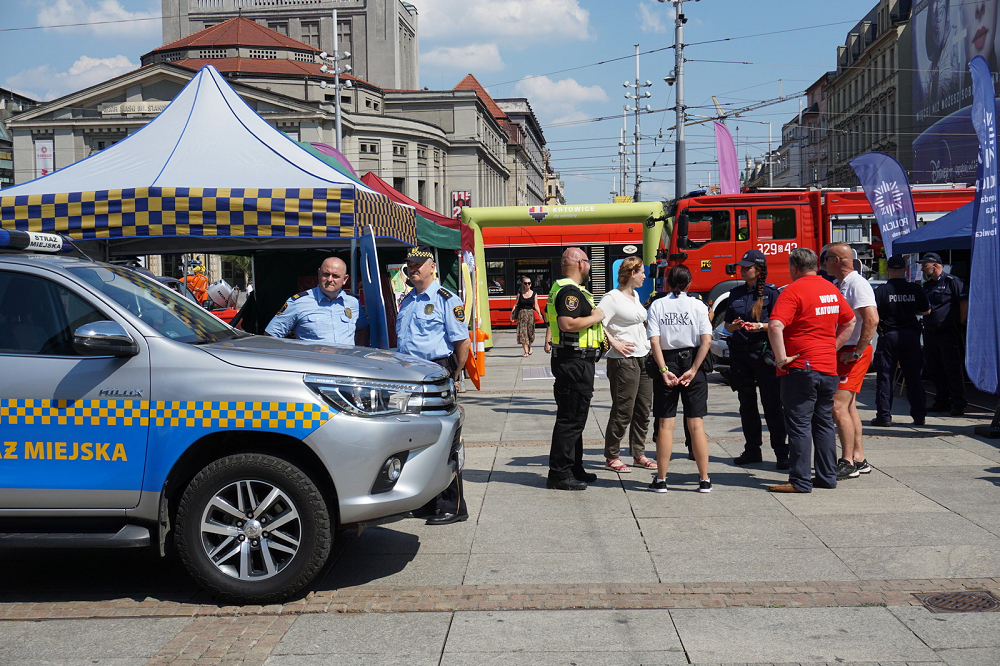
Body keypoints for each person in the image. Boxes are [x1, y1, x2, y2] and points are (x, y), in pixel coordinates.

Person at [766, 247, 856, 494]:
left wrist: (781, 358)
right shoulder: (831, 289)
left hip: (801, 369)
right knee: (824, 423)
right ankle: (827, 477)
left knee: (799, 425)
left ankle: (800, 481)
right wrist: (832, 346)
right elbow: (850, 321)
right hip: (827, 368)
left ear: (794, 267)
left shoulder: (792, 290)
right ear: (816, 265)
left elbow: (775, 326)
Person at [396, 245, 471, 524]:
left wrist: (453, 375)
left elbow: (462, 342)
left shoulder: (445, 299)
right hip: (407, 377)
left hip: (434, 373)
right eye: (409, 265)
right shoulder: (408, 300)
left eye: (418, 264)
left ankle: (454, 505)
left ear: (432, 267)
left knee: (444, 442)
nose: (412, 269)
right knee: (417, 441)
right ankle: (427, 502)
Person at [646, 264, 713, 493]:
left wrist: (663, 369)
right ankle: (704, 479)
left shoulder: (658, 305)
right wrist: (694, 369)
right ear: (689, 283)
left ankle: (662, 479)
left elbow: (654, 341)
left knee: (666, 424)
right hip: (693, 360)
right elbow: (706, 341)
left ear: (667, 283)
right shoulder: (698, 306)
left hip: (668, 361)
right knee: (696, 424)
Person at [545, 247, 605, 491]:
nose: (589, 267)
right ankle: (559, 473)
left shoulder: (564, 289)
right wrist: (597, 316)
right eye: (588, 262)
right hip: (575, 362)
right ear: (581, 264)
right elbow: (567, 323)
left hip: (572, 361)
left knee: (575, 418)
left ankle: (573, 467)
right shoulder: (570, 291)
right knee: (570, 419)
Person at [724, 249, 788, 470]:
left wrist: (759, 326)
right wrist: (733, 326)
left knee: (772, 405)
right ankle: (752, 449)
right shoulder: (736, 293)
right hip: (741, 354)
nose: (742, 270)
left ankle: (781, 452)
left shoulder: (772, 293)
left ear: (759, 270)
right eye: (741, 266)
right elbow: (727, 324)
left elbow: (780, 325)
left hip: (763, 355)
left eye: (747, 267)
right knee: (747, 404)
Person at [822, 243, 879, 480]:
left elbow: (872, 320)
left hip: (852, 352)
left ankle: (847, 461)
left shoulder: (857, 284)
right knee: (849, 406)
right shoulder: (843, 284)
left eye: (825, 258)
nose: (823, 263)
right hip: (847, 350)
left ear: (837, 260)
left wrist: (857, 351)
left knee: (837, 406)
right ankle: (858, 457)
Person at [598, 256, 656, 474]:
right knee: (623, 410)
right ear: (632, 273)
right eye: (642, 272)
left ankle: (638, 453)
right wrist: (614, 342)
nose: (644, 276)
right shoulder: (611, 298)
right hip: (623, 361)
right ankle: (611, 455)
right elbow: (597, 322)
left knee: (643, 409)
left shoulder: (635, 295)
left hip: (644, 357)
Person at [871, 255, 931, 427]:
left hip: (889, 336)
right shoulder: (915, 289)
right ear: (905, 270)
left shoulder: (881, 291)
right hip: (910, 336)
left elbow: (872, 314)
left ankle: (884, 416)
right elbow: (926, 311)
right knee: (913, 377)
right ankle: (919, 416)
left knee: (885, 377)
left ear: (888, 270)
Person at [265, 256, 370, 346]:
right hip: (314, 368)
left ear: (345, 279)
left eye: (335, 276)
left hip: (345, 367)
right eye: (326, 274)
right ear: (319, 273)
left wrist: (356, 355)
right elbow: (271, 336)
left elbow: (362, 328)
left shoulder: (353, 303)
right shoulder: (298, 302)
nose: (329, 279)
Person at [920, 251, 968, 416]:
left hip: (948, 332)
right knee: (934, 368)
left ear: (935, 265)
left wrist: (959, 323)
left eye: (924, 264)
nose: (922, 268)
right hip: (930, 332)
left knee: (951, 368)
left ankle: (958, 403)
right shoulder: (927, 285)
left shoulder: (951, 282)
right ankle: (942, 401)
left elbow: (963, 303)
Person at [510, 276, 543, 356]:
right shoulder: (520, 293)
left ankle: (530, 346)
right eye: (525, 283)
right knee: (522, 334)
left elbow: (536, 305)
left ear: (531, 284)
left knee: (530, 333)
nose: (527, 285)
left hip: (530, 315)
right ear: (523, 284)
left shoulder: (534, 294)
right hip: (521, 315)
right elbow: (516, 304)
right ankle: (526, 351)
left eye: (529, 283)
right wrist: (512, 314)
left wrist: (539, 313)